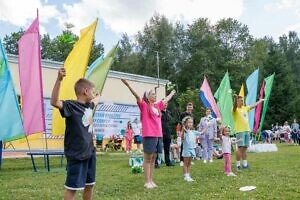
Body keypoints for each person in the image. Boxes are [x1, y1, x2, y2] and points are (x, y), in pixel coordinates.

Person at [51, 68, 101, 200]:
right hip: (77, 154)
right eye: (92, 91)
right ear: (85, 91)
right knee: (72, 188)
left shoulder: (89, 106)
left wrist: (98, 95)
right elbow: (54, 102)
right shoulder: (70, 106)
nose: (93, 94)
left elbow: (95, 101)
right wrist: (59, 80)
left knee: (90, 184)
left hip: (90, 153)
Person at [121, 79, 176, 189]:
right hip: (149, 135)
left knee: (154, 158)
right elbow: (136, 96)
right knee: (147, 159)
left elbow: (165, 100)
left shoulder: (157, 106)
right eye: (152, 94)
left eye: (155, 94)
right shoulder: (144, 105)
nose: (154, 95)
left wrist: (172, 93)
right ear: (147, 96)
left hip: (158, 135)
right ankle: (147, 181)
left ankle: (151, 180)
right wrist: (128, 85)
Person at [232, 95, 264, 170]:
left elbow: (253, 106)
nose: (242, 101)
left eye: (242, 100)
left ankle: (245, 165)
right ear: (237, 101)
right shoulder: (235, 109)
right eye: (240, 100)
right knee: (240, 148)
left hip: (247, 130)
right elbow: (234, 108)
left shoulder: (245, 108)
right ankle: (237, 165)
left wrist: (260, 101)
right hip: (240, 131)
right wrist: (235, 101)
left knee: (245, 148)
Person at [181, 116, 202, 182]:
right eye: (189, 122)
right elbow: (182, 138)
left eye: (191, 122)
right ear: (185, 123)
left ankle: (188, 175)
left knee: (189, 163)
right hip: (186, 149)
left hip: (192, 149)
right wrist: (183, 130)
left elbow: (201, 132)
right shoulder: (184, 131)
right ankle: (186, 176)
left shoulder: (193, 131)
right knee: (185, 163)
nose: (190, 124)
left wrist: (208, 126)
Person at [178, 102, 195, 167]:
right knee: (183, 146)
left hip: (190, 132)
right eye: (188, 107)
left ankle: (190, 160)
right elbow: (180, 123)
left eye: (191, 107)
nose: (189, 108)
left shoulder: (192, 115)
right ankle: (181, 160)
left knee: (190, 145)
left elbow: (193, 124)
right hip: (184, 131)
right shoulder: (183, 114)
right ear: (186, 107)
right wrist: (179, 131)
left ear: (192, 108)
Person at [161, 102, 175, 166]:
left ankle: (168, 162)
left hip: (168, 133)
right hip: (160, 133)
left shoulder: (169, 112)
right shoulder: (159, 112)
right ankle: (155, 163)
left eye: (166, 103)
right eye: (164, 103)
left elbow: (171, 123)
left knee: (167, 149)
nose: (165, 105)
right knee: (157, 149)